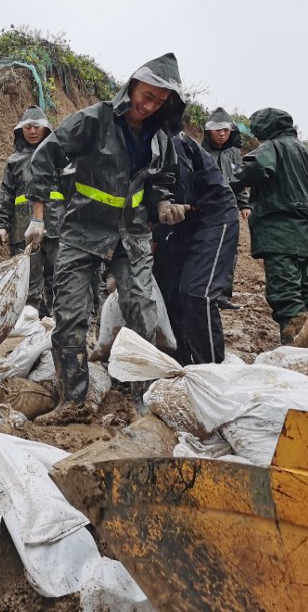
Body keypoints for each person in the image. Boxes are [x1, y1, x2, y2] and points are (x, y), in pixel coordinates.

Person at [28, 53, 188, 421]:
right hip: (82, 230)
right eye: (146, 96)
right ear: (131, 86)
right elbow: (45, 156)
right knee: (69, 316)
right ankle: (74, 401)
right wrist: (37, 219)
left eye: (160, 102)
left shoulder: (160, 138)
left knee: (144, 313)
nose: (149, 106)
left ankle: (147, 402)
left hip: (129, 235)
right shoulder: (95, 120)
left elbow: (162, 180)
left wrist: (164, 205)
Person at [230, 108, 308, 344]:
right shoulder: (306, 153)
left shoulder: (274, 147)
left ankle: (297, 349)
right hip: (307, 232)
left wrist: (227, 186)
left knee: (285, 294)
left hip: (280, 231)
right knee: (307, 290)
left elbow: (256, 168)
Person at [153, 132, 239, 365]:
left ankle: (211, 372)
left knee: (197, 294)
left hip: (212, 217)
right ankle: (181, 366)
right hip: (179, 228)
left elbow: (180, 194)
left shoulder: (170, 141)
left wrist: (154, 233)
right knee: (167, 291)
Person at [0, 106, 64, 315]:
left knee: (62, 276)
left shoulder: (59, 157)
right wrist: (1, 225)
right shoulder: (14, 161)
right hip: (23, 228)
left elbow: (71, 191)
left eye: (37, 127)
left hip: (56, 227)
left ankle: (60, 325)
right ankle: (29, 323)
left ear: (46, 130)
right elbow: (6, 195)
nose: (32, 131)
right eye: (27, 127)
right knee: (27, 280)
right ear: (20, 131)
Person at [202, 107, 251, 310]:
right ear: (209, 132)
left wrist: (244, 203)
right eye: (217, 130)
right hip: (207, 211)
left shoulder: (234, 155)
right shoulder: (201, 152)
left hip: (229, 210)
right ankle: (205, 292)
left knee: (229, 252)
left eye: (225, 130)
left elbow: (240, 181)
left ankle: (222, 295)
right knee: (206, 250)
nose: (222, 134)